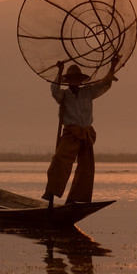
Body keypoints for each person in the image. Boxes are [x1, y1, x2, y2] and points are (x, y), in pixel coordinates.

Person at [42, 57, 119, 204]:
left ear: (81, 80)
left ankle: (77, 199)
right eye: (72, 79)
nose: (75, 81)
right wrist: (59, 71)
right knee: (59, 161)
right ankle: (51, 192)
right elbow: (54, 90)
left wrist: (112, 66)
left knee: (86, 169)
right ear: (68, 80)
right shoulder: (63, 95)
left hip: (86, 134)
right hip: (70, 133)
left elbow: (105, 84)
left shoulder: (88, 92)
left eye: (77, 78)